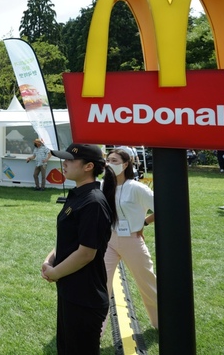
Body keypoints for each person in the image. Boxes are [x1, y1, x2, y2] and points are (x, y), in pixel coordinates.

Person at [41, 144, 117, 354]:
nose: (63, 163)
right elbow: (69, 239)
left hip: (85, 296)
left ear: (88, 166)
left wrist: (55, 272)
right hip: (70, 289)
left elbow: (86, 253)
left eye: (69, 160)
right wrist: (50, 259)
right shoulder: (78, 194)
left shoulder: (93, 202)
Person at [103, 149, 158, 331]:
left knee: (148, 284)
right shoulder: (104, 185)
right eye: (108, 160)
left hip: (132, 241)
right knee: (101, 285)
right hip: (109, 241)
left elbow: (162, 206)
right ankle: (97, 331)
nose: (109, 163)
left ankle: (161, 323)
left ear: (125, 164)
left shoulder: (137, 188)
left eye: (114, 160)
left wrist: (144, 222)